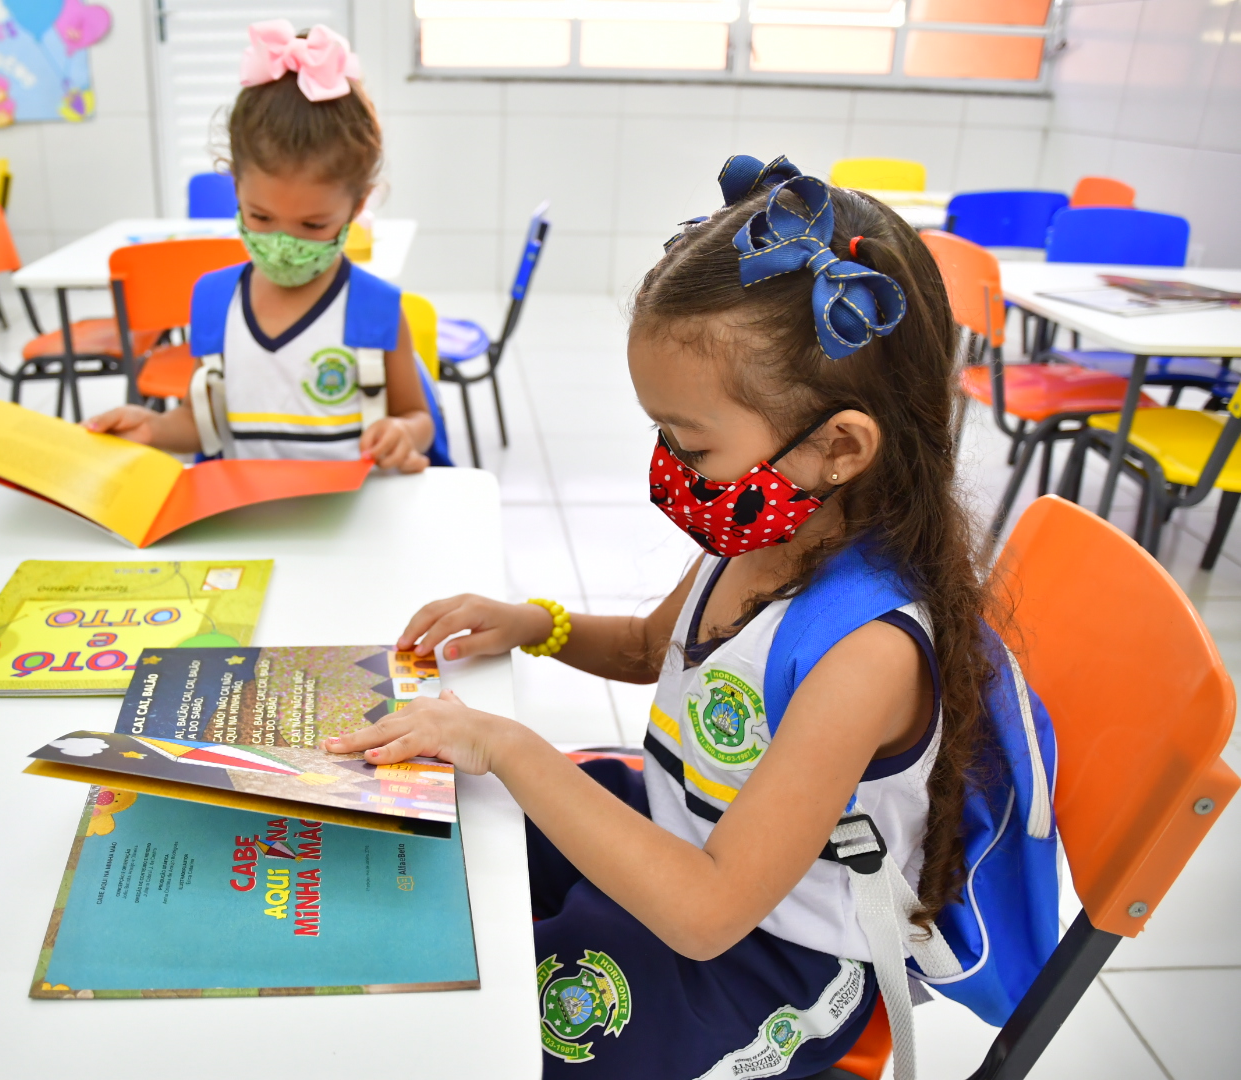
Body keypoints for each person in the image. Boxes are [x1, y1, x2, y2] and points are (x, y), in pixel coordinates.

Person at [325, 156, 992, 1078]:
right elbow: (650, 646)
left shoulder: (867, 654)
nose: (671, 468)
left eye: (689, 442)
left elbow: (710, 914)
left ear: (838, 446)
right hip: (680, 835)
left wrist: (509, 743)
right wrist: (536, 624)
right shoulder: (763, 527)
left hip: (768, 953)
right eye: (659, 435)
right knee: (437, 847)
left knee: (501, 1038)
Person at [85, 21, 435, 472]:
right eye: (261, 218)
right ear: (235, 190)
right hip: (248, 525)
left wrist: (404, 433)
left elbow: (418, 416)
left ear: (358, 205)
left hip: (348, 525)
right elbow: (203, 423)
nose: (284, 244)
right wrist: (151, 428)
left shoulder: (375, 309)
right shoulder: (213, 303)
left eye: (313, 224)